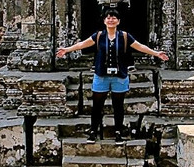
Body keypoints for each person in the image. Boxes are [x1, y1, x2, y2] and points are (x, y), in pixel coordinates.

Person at [56, 7, 168, 141]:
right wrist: (66, 50)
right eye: (108, 17)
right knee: (97, 105)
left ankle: (118, 132)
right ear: (104, 21)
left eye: (114, 17)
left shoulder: (125, 36)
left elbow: (140, 46)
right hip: (101, 75)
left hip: (119, 76)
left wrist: (156, 53)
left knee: (118, 106)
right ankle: (93, 131)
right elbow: (82, 44)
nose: (111, 20)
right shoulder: (98, 36)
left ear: (118, 21)